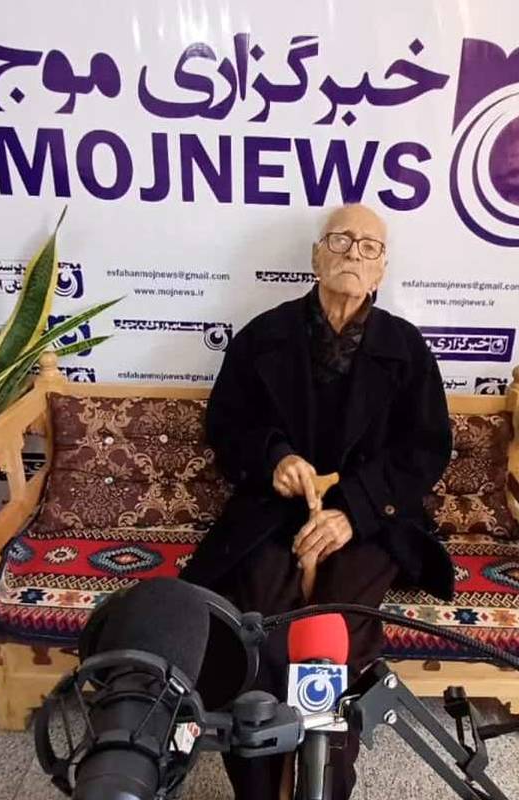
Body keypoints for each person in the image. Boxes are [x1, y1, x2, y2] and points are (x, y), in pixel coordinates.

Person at [181, 203, 454, 800]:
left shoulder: (406, 348)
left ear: (381, 269)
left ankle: (322, 786)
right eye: (341, 241)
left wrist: (352, 510)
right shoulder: (264, 336)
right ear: (315, 256)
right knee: (260, 631)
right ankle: (261, 787)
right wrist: (274, 458)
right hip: (271, 513)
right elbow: (228, 425)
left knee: (334, 631)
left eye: (369, 247)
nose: (354, 254)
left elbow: (425, 451)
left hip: (371, 520)